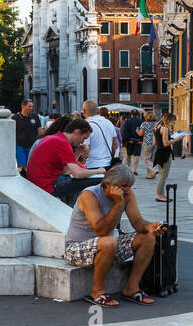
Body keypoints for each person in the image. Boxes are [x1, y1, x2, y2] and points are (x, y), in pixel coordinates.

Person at [63, 165, 165, 307]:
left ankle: (131, 288)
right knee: (109, 241)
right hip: (76, 248)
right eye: (123, 186)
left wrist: (150, 227)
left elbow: (137, 222)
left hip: (107, 244)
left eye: (129, 186)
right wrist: (118, 204)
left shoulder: (127, 195)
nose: (127, 190)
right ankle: (97, 291)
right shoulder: (89, 195)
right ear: (108, 184)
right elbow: (102, 230)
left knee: (147, 238)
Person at [28, 118, 107, 204]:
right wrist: (98, 171)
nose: (82, 142)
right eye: (84, 138)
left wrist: (76, 154)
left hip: (40, 183)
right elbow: (77, 174)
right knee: (101, 179)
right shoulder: (62, 142)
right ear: (77, 132)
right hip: (47, 185)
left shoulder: (54, 138)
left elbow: (66, 170)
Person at [82, 99, 119, 172]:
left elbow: (86, 148)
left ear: (84, 111)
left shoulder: (85, 124)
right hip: (107, 164)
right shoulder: (108, 123)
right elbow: (115, 145)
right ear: (97, 110)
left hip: (91, 165)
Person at [11, 99, 42, 174]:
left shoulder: (35, 117)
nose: (31, 108)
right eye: (29, 106)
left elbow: (40, 131)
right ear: (23, 106)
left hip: (32, 146)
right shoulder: (15, 118)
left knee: (31, 166)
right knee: (22, 168)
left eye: (32, 106)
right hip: (19, 146)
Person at [121, 110, 145, 174]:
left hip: (130, 140)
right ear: (138, 114)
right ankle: (135, 170)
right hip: (138, 140)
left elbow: (125, 131)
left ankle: (129, 169)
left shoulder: (127, 121)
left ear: (131, 114)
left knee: (128, 155)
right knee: (136, 155)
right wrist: (142, 140)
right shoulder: (141, 121)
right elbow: (143, 131)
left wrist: (128, 139)